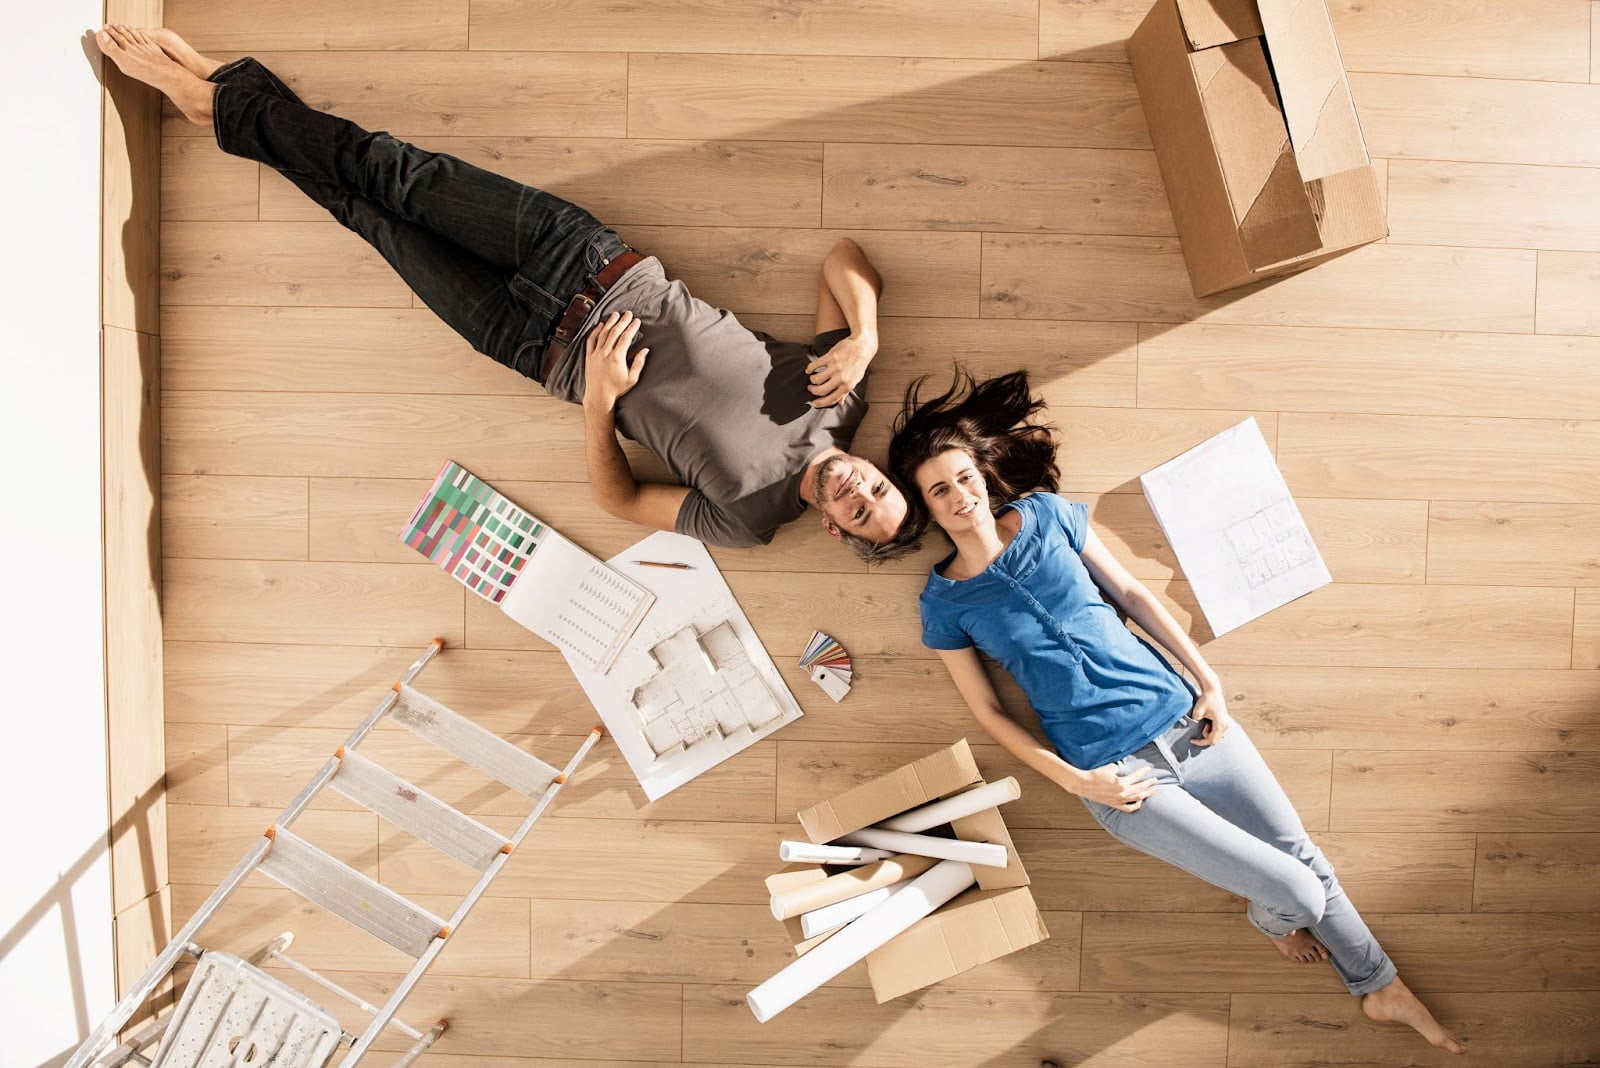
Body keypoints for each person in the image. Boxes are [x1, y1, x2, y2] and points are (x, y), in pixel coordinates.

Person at [94, 25, 923, 557]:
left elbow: (620, 498)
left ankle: (227, 97)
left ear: (832, 526)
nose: (858, 493)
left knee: (370, 217)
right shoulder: (839, 395)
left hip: (536, 348)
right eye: (877, 490)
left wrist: (601, 402)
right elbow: (844, 258)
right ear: (879, 472)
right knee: (391, 169)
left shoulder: (749, 522)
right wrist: (868, 336)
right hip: (585, 258)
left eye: (858, 514)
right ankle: (213, 99)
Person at [888, 369, 1467, 1057]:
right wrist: (1078, 783)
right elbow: (990, 713)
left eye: (963, 477)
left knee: (1302, 856)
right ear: (926, 506)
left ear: (984, 472)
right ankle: (1276, 919)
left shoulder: (1047, 513)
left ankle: (1381, 987)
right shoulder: (944, 604)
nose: (959, 496)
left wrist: (1209, 681)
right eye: (939, 490)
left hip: (1189, 722)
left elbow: (1132, 594)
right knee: (1295, 891)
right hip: (1119, 777)